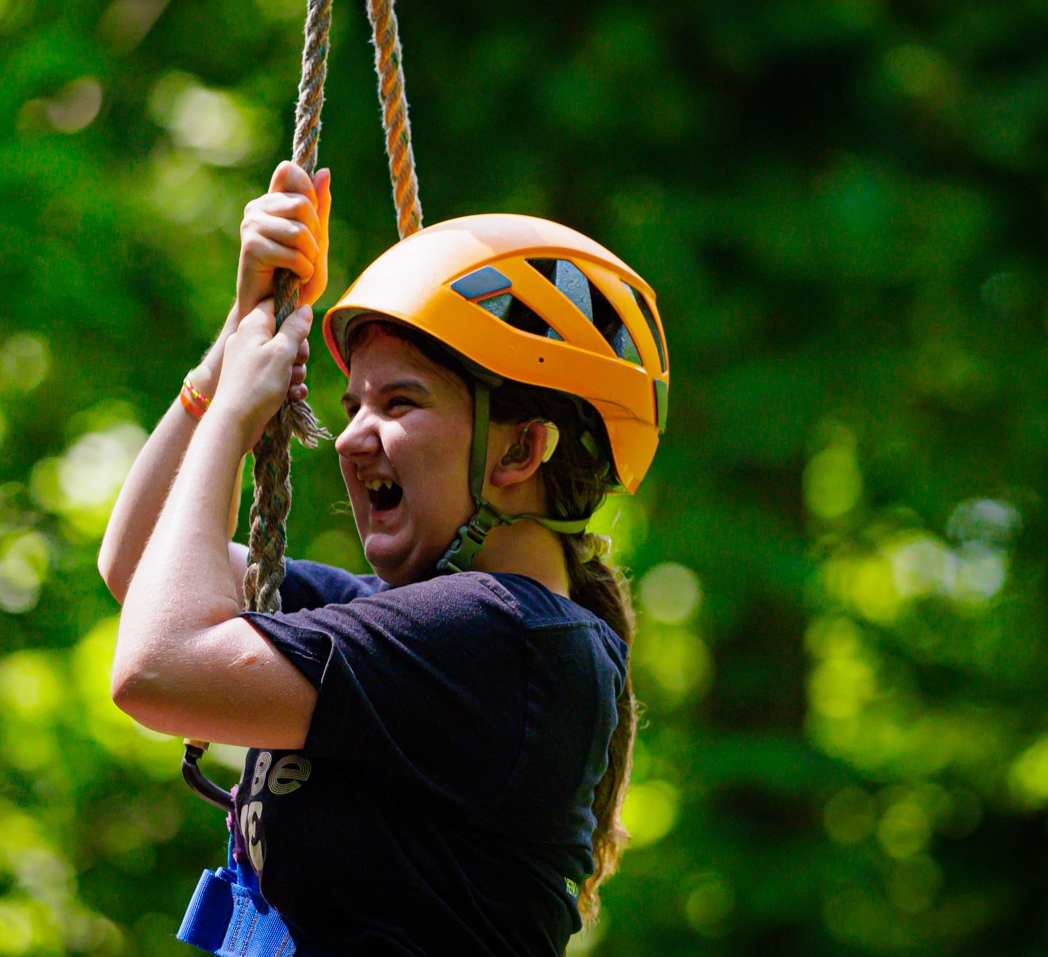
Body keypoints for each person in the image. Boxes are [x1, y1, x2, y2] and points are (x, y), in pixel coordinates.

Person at [99, 160, 669, 956]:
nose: (353, 436)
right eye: (354, 405)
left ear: (522, 448)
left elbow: (156, 667)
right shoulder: (418, 628)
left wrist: (235, 418)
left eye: (399, 403)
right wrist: (228, 349)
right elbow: (140, 565)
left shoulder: (502, 639)